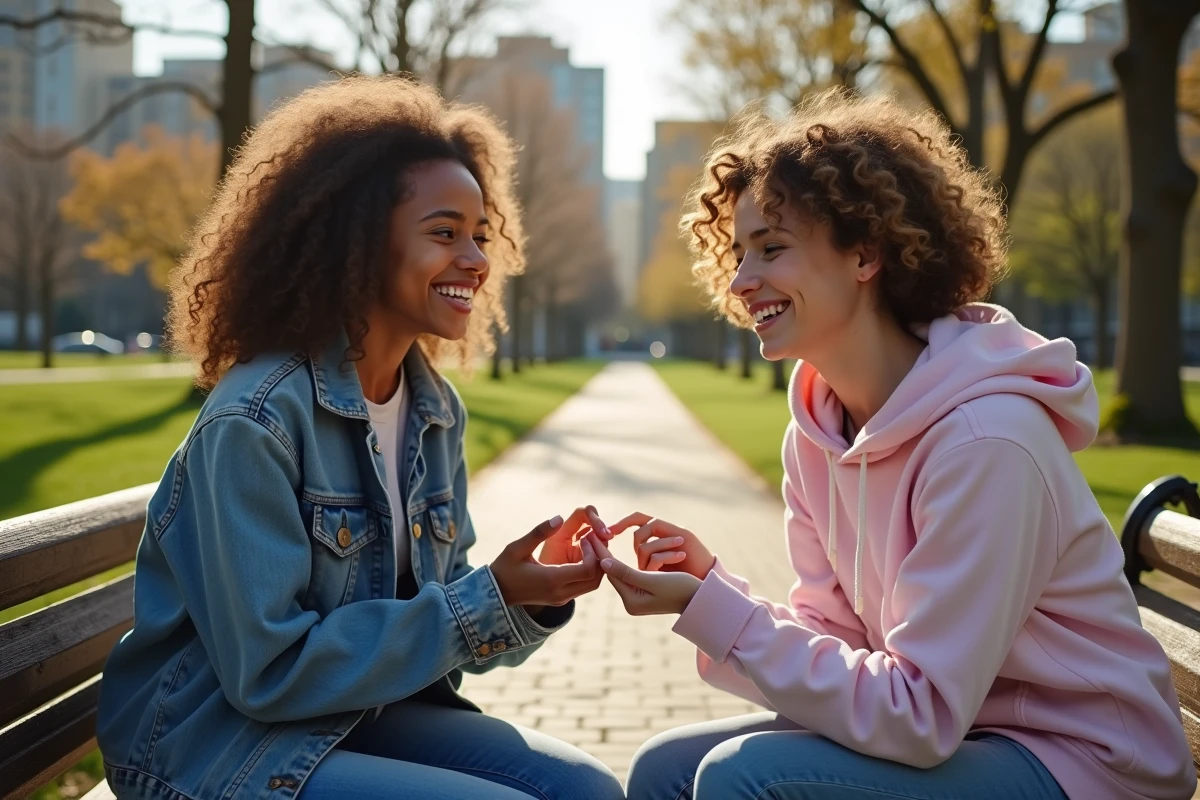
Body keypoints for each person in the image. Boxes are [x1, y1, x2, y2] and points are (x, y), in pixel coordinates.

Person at [597, 90, 1196, 800]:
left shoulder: (987, 442)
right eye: (739, 252)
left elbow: (919, 715)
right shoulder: (816, 435)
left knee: (745, 780)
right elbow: (837, 644)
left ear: (865, 253)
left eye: (772, 248)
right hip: (967, 737)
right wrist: (710, 593)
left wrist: (725, 620)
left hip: (1086, 761)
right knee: (663, 769)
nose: (741, 280)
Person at [95, 76, 623, 800]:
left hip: (352, 716)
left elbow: (446, 637)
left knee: (587, 788)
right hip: (212, 743)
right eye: (444, 233)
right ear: (360, 242)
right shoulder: (255, 420)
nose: (476, 260)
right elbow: (269, 672)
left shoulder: (435, 411)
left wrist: (524, 594)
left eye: (480, 235)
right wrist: (484, 599)